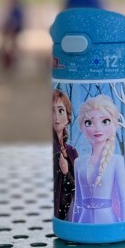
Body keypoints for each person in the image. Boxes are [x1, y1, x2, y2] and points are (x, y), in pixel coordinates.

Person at [70, 94, 125, 224]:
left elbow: (123, 199)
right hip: (83, 222)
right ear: (82, 127)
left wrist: (124, 226)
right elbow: (78, 201)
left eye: (105, 121)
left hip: (108, 221)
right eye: (89, 122)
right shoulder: (79, 162)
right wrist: (73, 226)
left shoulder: (116, 161)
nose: (98, 128)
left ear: (114, 124)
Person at [53, 89, 77, 221]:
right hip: (59, 216)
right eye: (52, 111)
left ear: (68, 117)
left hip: (72, 215)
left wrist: (66, 172)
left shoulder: (71, 152)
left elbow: (77, 189)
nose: (56, 117)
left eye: (60, 110)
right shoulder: (52, 150)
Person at [0, 0, 25, 71]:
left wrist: (11, 28)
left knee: (12, 45)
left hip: (14, 29)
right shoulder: (15, 8)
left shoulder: (16, 9)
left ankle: (11, 61)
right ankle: (10, 61)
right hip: (13, 29)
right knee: (11, 45)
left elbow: (15, 21)